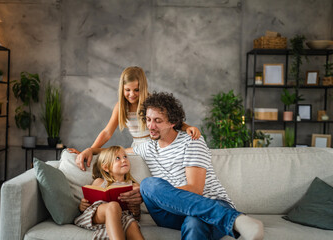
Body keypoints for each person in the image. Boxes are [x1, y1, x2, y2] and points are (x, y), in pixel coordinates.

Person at [132, 92, 264, 240]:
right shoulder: (147, 147)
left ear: (172, 122)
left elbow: (195, 189)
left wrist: (162, 195)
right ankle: (233, 219)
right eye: (148, 119)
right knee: (148, 185)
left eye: (157, 120)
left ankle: (232, 219)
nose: (151, 126)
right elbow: (113, 152)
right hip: (169, 213)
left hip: (211, 203)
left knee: (194, 223)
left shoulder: (191, 140)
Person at [71, 66, 201, 171]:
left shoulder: (151, 103)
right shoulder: (120, 107)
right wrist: (91, 150)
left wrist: (188, 127)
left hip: (154, 146)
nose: (132, 94)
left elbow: (171, 120)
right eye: (127, 90)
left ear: (143, 88)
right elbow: (107, 132)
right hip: (136, 148)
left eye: (136, 90)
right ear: (122, 89)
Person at [74, 146, 144, 240]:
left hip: (123, 216)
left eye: (125, 157)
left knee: (133, 224)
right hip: (98, 214)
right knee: (113, 206)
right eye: (118, 158)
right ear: (106, 167)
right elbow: (87, 202)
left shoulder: (134, 186)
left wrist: (136, 211)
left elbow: (136, 216)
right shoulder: (99, 182)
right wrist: (82, 205)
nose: (124, 160)